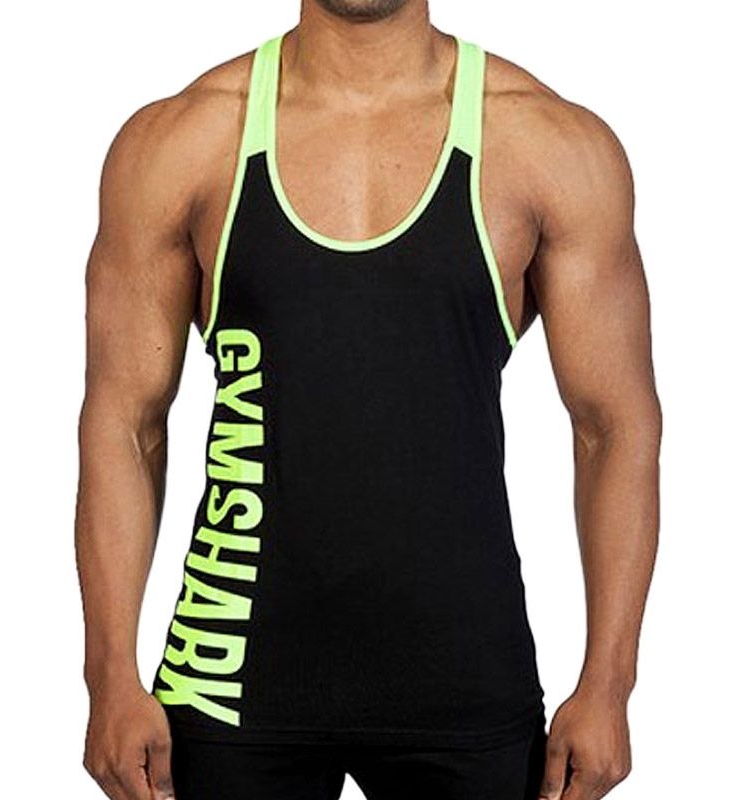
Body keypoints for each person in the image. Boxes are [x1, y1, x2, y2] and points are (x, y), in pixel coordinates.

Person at [74, 1, 661, 798]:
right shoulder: (184, 142)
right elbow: (125, 422)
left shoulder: (547, 144)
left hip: (465, 676)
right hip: (228, 676)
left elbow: (613, 427)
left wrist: (610, 685)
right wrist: (109, 675)